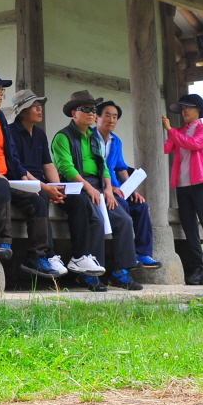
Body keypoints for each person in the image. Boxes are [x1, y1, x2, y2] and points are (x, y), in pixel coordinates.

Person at [51, 92, 141, 291]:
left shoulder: (93, 136)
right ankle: (89, 274)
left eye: (93, 109)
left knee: (123, 220)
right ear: (74, 113)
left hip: (98, 186)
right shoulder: (63, 136)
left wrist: (108, 188)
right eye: (86, 109)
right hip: (75, 186)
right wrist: (88, 187)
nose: (91, 113)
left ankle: (120, 272)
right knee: (97, 220)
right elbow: (66, 168)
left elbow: (104, 166)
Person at [0, 70, 49, 276]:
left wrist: (22, 175)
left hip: (7, 179)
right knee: (0, 185)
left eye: (3, 89)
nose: (2, 93)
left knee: (38, 200)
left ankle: (36, 256)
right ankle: (3, 242)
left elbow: (11, 151)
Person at [161, 93, 203, 285]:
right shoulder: (179, 132)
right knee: (190, 230)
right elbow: (166, 148)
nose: (184, 111)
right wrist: (164, 131)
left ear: (199, 109)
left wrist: (170, 130)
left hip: (201, 185)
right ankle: (198, 270)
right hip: (182, 186)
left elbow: (193, 144)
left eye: (188, 107)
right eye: (182, 108)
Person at [6, 90, 69, 279]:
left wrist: (57, 187)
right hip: (19, 181)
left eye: (39, 105)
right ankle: (41, 255)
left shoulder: (40, 134)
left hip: (39, 183)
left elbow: (48, 164)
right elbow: (16, 168)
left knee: (77, 199)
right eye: (34, 106)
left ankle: (81, 258)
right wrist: (45, 187)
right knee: (40, 198)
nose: (39, 109)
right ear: (22, 112)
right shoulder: (11, 132)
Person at [96, 100, 162, 270]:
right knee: (122, 204)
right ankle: (123, 261)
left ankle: (142, 253)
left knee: (141, 205)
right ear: (97, 117)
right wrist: (109, 188)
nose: (111, 120)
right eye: (107, 115)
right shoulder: (90, 138)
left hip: (116, 188)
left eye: (115, 117)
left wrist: (130, 189)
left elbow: (120, 167)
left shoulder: (116, 141)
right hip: (99, 188)